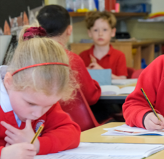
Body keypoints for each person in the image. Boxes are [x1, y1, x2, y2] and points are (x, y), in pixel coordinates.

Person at [0, 25, 81, 158]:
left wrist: (37, 144)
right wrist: (3, 154)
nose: (38, 114)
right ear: (9, 82)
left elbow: (71, 133)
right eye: (31, 104)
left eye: (48, 106)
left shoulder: (42, 99)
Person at [37, 5, 101, 106]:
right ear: (69, 29)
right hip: (76, 120)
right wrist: (95, 84)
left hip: (42, 118)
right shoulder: (72, 59)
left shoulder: (32, 56)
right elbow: (91, 97)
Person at [79, 11, 128, 79]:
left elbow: (123, 80)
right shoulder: (82, 56)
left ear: (113, 32)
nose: (100, 34)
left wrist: (102, 72)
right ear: (89, 32)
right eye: (96, 30)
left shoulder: (119, 56)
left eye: (105, 30)